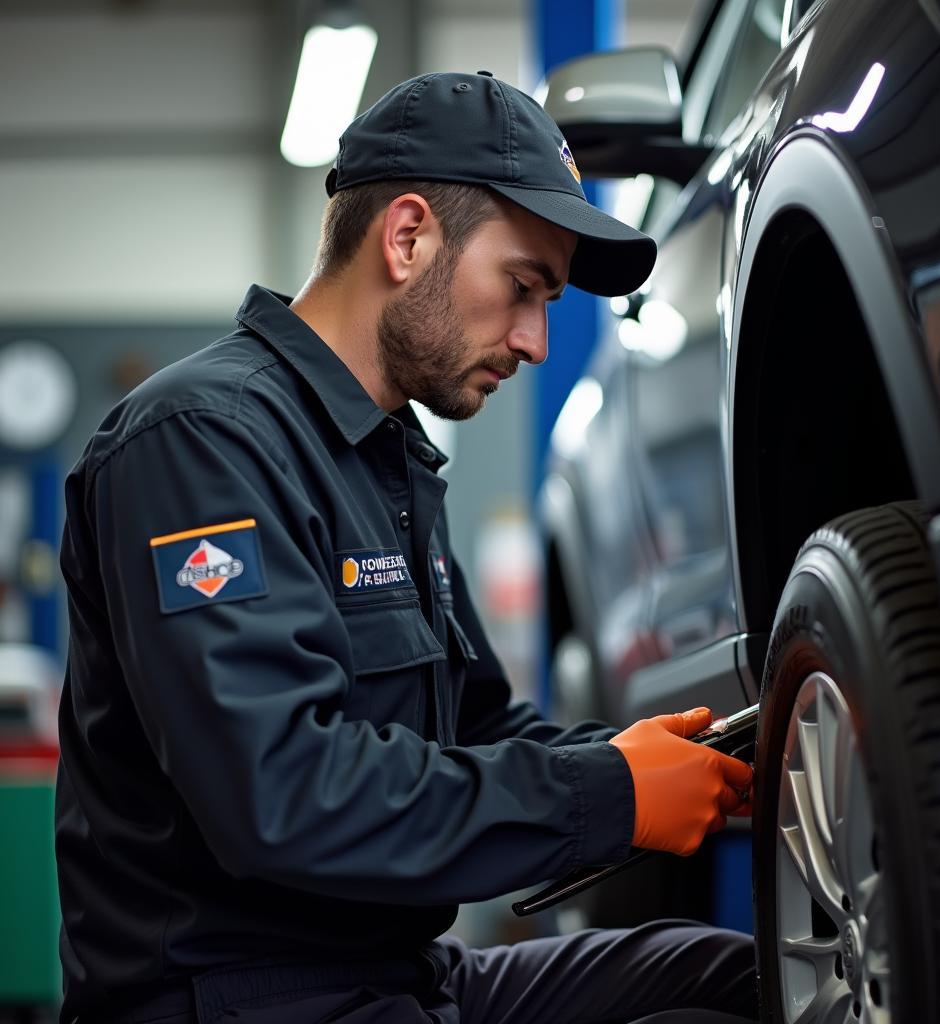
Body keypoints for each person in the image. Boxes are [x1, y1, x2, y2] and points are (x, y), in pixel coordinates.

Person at [55, 71, 757, 1024]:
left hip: (401, 976)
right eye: (523, 288)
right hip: (240, 1000)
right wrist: (606, 794)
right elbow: (284, 793)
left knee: (727, 978)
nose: (537, 340)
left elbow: (476, 731)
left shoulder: (386, 466)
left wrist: (682, 764)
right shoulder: (198, 442)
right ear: (409, 236)